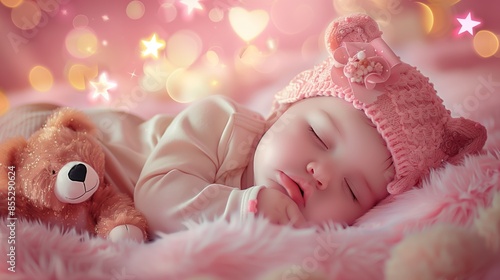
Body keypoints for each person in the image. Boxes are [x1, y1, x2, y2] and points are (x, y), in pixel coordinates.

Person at [0, 14, 487, 237]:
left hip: (94, 211)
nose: (321, 172)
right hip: (57, 136)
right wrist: (247, 205)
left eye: (353, 191)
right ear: (281, 112)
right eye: (317, 135)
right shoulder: (220, 121)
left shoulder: (292, 231)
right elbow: (156, 195)